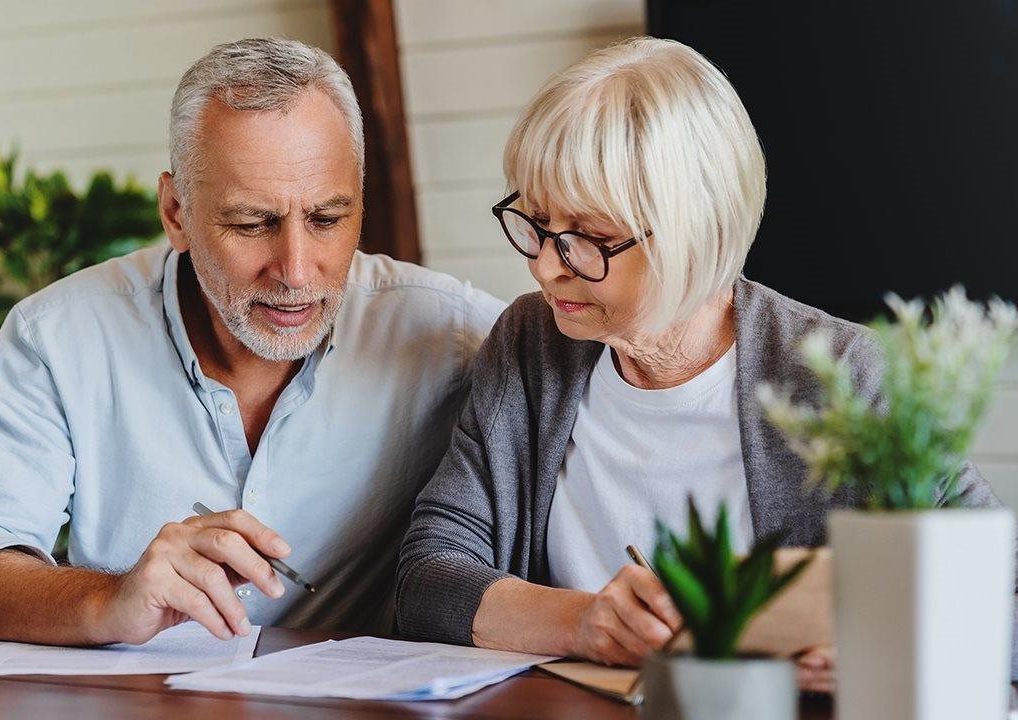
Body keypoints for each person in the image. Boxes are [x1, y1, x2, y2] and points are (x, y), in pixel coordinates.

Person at [394, 36, 1011, 693]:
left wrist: (887, 649)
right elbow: (428, 575)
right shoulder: (530, 343)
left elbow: (1003, 590)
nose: (547, 265)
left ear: (694, 230)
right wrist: (582, 621)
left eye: (589, 238)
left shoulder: (835, 374)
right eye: (537, 223)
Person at [0, 37, 504, 646]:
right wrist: (109, 600)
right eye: (251, 223)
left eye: (327, 219)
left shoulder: (451, 334)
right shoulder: (59, 336)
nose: (296, 270)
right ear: (176, 212)